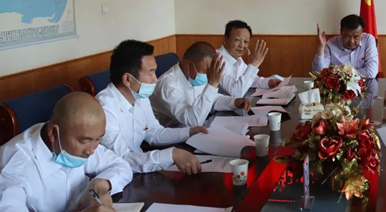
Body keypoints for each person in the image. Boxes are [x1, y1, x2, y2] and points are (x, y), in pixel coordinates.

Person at [0, 92, 132, 212]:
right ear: (53, 133)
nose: (91, 151)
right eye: (84, 141)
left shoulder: (79, 137)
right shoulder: (13, 168)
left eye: (98, 139)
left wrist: (101, 184)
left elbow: (122, 166)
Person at [96, 40, 207, 174]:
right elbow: (122, 159)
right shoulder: (104, 109)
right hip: (115, 175)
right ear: (128, 79)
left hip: (139, 168)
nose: (156, 79)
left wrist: (189, 132)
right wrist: (171, 155)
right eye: (151, 73)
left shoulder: (139, 96)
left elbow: (154, 133)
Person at [151, 41, 251, 127]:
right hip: (171, 133)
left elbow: (212, 99)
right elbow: (193, 122)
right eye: (206, 71)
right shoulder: (168, 85)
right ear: (190, 66)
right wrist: (212, 84)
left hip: (192, 127)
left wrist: (234, 102)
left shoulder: (193, 75)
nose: (208, 75)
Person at [312, 14, 379, 104]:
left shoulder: (368, 40)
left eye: (356, 37)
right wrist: (321, 48)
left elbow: (371, 72)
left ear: (362, 34)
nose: (351, 41)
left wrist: (340, 74)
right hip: (337, 94)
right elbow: (319, 73)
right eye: (347, 36)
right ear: (341, 32)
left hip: (363, 92)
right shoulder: (331, 44)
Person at [216, 20, 282, 98]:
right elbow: (236, 93)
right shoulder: (217, 60)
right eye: (237, 40)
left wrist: (268, 82)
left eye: (246, 41)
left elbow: (250, 79)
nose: (242, 45)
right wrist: (253, 65)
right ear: (225, 40)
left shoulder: (237, 59)